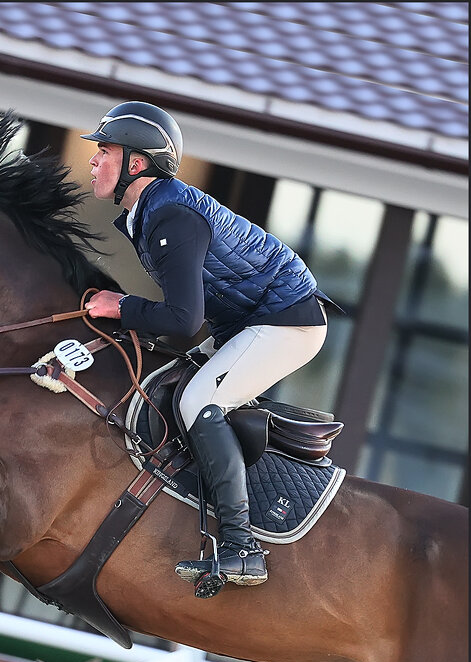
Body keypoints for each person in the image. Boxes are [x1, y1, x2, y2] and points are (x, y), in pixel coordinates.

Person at [81, 101, 336, 597]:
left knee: (199, 401)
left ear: (136, 163)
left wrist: (121, 306)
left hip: (288, 321)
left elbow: (182, 320)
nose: (93, 160)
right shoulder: (150, 210)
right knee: (171, 383)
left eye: (105, 150)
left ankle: (242, 549)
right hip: (251, 320)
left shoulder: (170, 215)